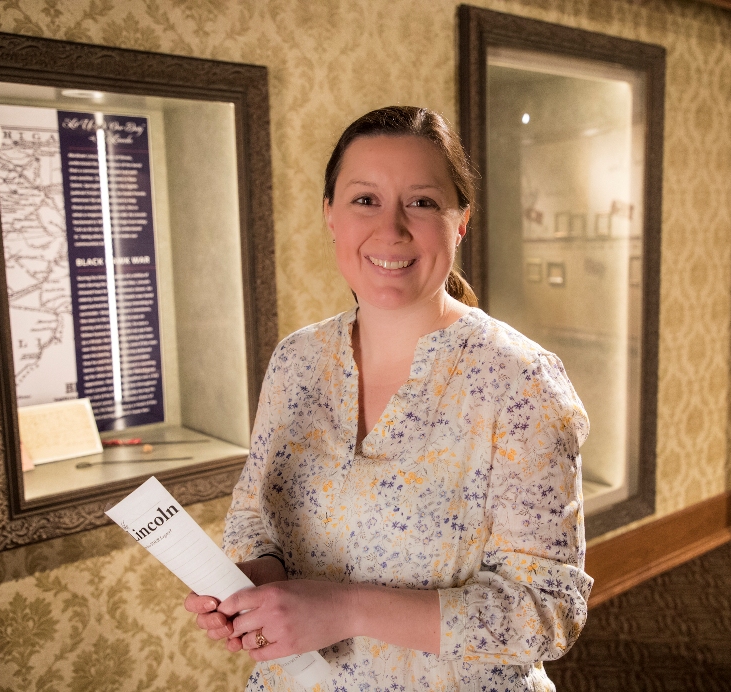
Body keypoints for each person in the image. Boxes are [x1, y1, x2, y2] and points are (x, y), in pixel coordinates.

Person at [184, 106, 592, 691]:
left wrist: (345, 609)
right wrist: (258, 579)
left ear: (461, 222)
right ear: (330, 214)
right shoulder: (296, 361)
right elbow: (254, 515)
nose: (392, 229)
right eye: (365, 200)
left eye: (421, 202)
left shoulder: (520, 382)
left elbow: (549, 612)